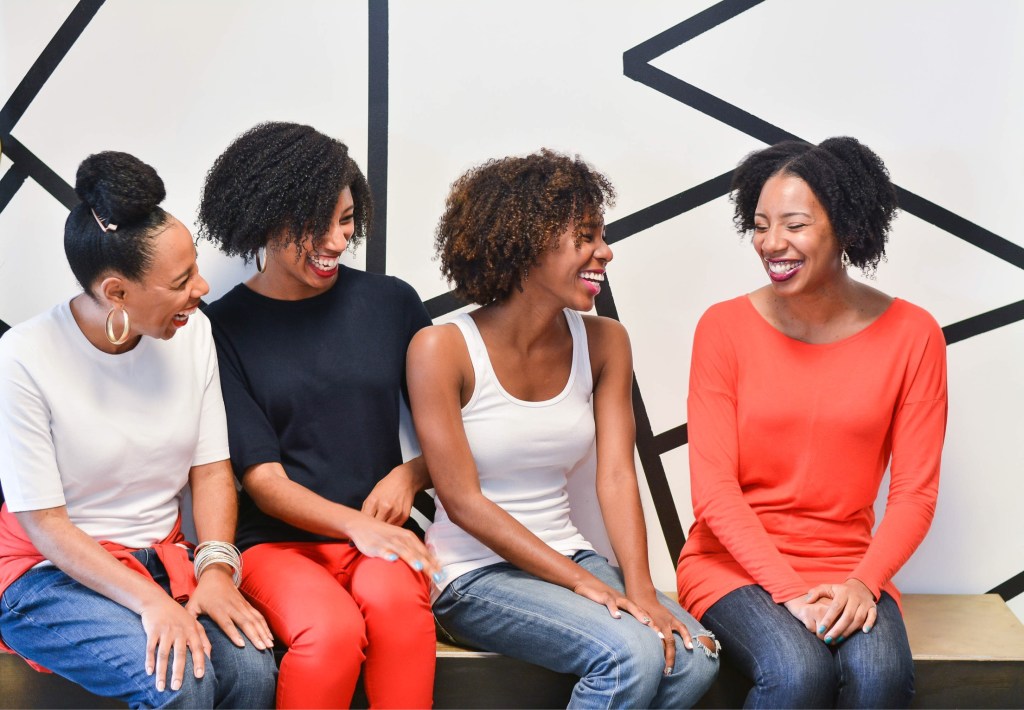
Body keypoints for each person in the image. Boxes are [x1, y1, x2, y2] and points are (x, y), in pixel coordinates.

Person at [408, 149, 720, 709]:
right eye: (586, 236)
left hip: (571, 555)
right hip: (472, 576)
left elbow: (619, 475)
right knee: (631, 654)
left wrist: (641, 588)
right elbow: (461, 500)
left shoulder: (605, 342)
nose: (605, 252)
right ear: (526, 244)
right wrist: (585, 585)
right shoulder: (441, 348)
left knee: (694, 656)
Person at [677, 137, 947, 708]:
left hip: (849, 564)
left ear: (845, 230)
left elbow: (914, 494)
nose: (771, 244)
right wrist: (789, 593)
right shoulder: (722, 328)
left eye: (794, 225)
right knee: (797, 672)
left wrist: (863, 582)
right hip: (733, 566)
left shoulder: (914, 335)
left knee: (880, 681)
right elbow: (714, 494)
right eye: (760, 224)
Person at [0, 151, 277, 709]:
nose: (201, 289)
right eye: (181, 281)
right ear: (116, 292)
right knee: (181, 682)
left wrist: (218, 569)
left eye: (195, 267)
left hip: (162, 557)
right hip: (48, 572)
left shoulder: (192, 334)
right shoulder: (24, 356)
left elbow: (212, 470)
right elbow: (46, 524)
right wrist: (152, 604)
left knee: (252, 674)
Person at [198, 121, 440, 709]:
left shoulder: (392, 304)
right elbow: (264, 480)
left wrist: (410, 475)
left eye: (347, 219)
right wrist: (355, 524)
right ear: (264, 216)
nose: (335, 240)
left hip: (379, 537)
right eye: (314, 224)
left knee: (397, 614)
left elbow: (455, 432)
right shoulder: (222, 328)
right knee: (330, 635)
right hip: (276, 545)